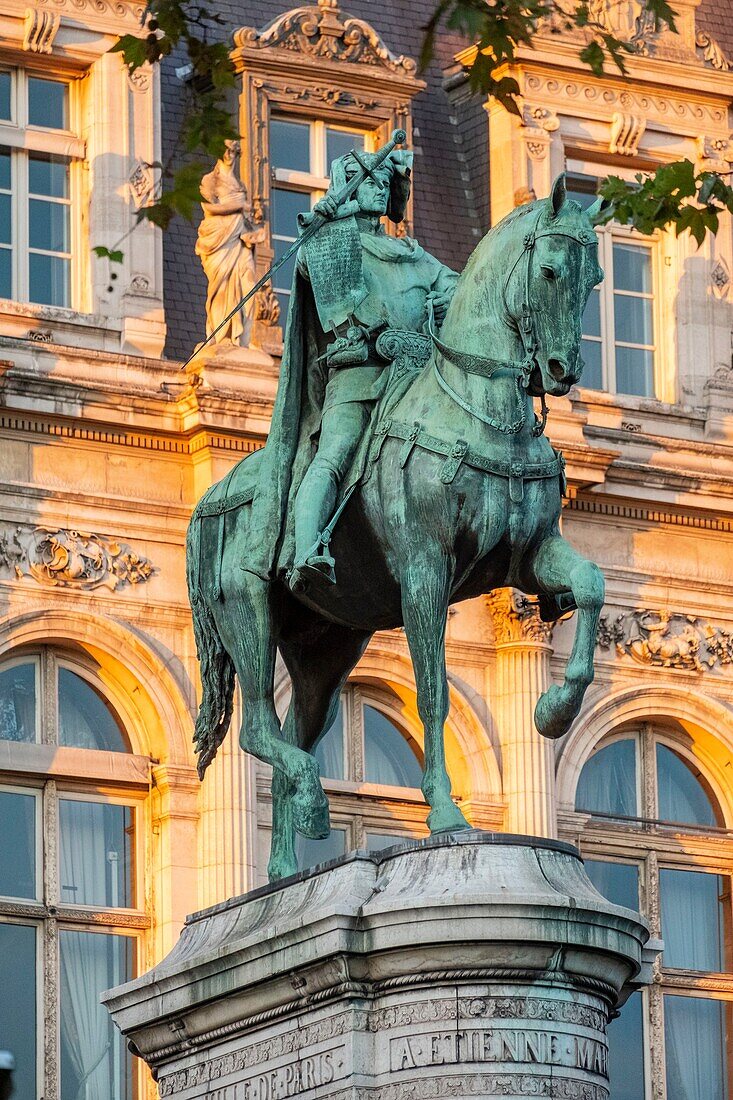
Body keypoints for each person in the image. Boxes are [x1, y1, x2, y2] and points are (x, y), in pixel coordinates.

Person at [247, 137, 458, 587]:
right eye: (371, 180)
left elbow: (459, 287)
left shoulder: (415, 256)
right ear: (349, 186)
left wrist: (447, 299)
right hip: (358, 379)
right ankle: (306, 550)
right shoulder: (334, 243)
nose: (381, 188)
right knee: (334, 454)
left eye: (386, 181)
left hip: (417, 381)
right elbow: (315, 274)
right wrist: (320, 232)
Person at [195, 140, 265, 347]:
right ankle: (221, 337)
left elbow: (244, 213)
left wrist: (252, 224)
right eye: (224, 148)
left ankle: (244, 338)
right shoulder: (211, 180)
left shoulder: (240, 183)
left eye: (232, 149)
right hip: (219, 239)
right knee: (221, 287)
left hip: (240, 238)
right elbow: (209, 208)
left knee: (249, 285)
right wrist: (237, 206)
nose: (228, 153)